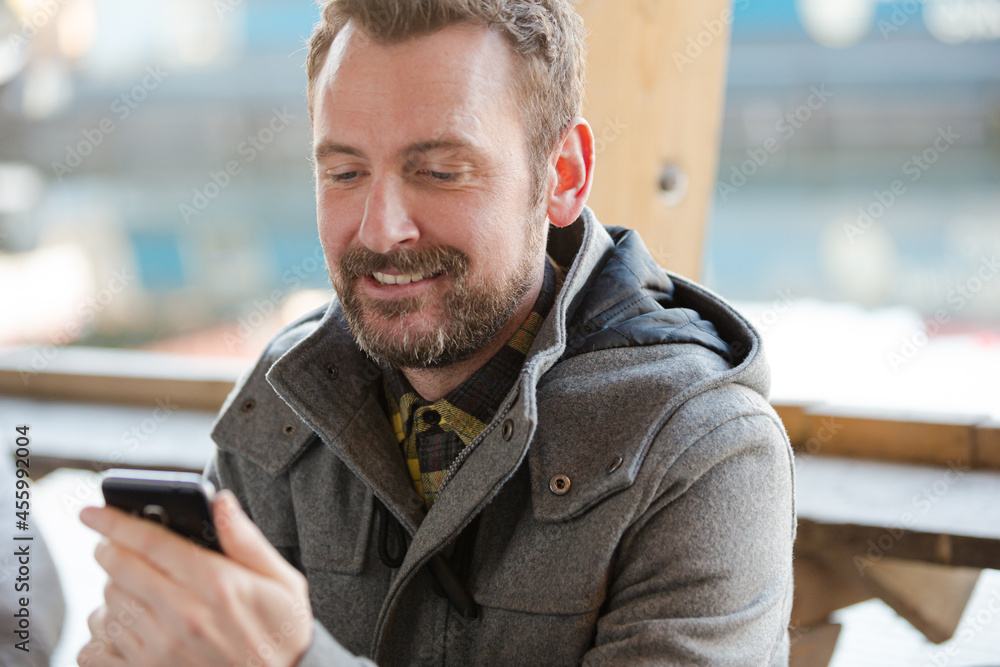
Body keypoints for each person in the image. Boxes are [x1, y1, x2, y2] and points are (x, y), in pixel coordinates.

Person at [78, 1, 795, 665]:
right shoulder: (282, 398)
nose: (382, 228)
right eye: (346, 171)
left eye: (441, 171)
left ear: (563, 175)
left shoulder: (706, 451)